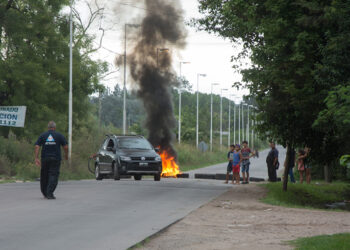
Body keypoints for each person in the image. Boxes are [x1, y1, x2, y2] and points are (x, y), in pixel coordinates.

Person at [35, 121, 68, 199]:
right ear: (55, 128)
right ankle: (49, 193)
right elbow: (66, 147)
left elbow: (37, 146)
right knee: (53, 175)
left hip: (45, 159)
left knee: (44, 175)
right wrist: (66, 155)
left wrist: (36, 158)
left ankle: (45, 193)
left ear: (48, 127)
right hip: (55, 159)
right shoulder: (59, 135)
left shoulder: (43, 135)